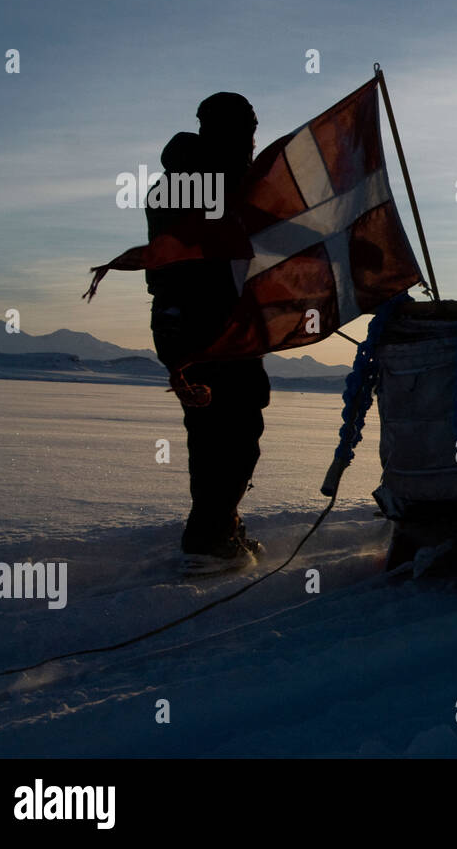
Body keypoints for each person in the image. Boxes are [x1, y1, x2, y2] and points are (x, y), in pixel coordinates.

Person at [147, 92, 270, 572]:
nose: (251, 142)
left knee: (215, 431)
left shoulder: (181, 181)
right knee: (233, 430)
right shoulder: (203, 183)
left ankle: (218, 525)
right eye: (246, 131)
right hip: (208, 324)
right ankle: (210, 536)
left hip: (190, 324)